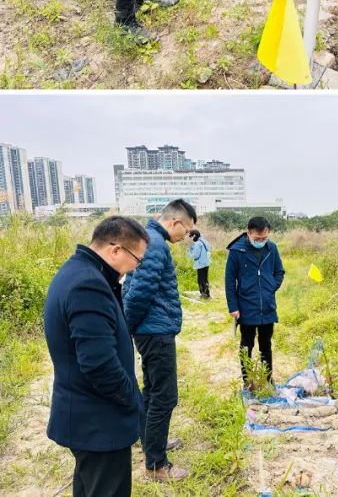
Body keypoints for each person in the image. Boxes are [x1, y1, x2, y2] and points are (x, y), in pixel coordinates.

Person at [45, 216, 149, 497]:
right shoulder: (88, 285)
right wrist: (132, 400)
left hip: (87, 417)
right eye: (137, 259)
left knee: (89, 488)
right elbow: (99, 365)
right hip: (98, 421)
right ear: (115, 250)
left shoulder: (78, 271)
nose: (136, 267)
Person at [123, 199, 196, 482]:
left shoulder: (148, 238)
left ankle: (152, 441)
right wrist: (127, 327)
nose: (185, 236)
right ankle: (156, 465)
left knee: (152, 391)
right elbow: (140, 291)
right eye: (187, 230)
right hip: (155, 332)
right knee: (164, 396)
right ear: (176, 223)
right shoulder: (155, 243)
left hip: (150, 329)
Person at [225, 216, 285, 388]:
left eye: (264, 238)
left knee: (266, 346)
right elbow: (230, 281)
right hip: (246, 307)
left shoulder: (272, 248)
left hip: (267, 306)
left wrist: (271, 287)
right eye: (257, 238)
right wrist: (233, 306)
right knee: (247, 346)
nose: (261, 241)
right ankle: (247, 381)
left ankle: (268, 380)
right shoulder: (237, 251)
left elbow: (279, 272)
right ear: (248, 233)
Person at [187, 229, 211, 298]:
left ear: (194, 235)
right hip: (206, 263)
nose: (191, 238)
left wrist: (189, 252)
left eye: (191, 236)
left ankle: (204, 295)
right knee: (205, 279)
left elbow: (196, 255)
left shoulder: (198, 243)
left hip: (200, 264)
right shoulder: (203, 240)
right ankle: (207, 294)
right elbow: (208, 249)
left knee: (200, 280)